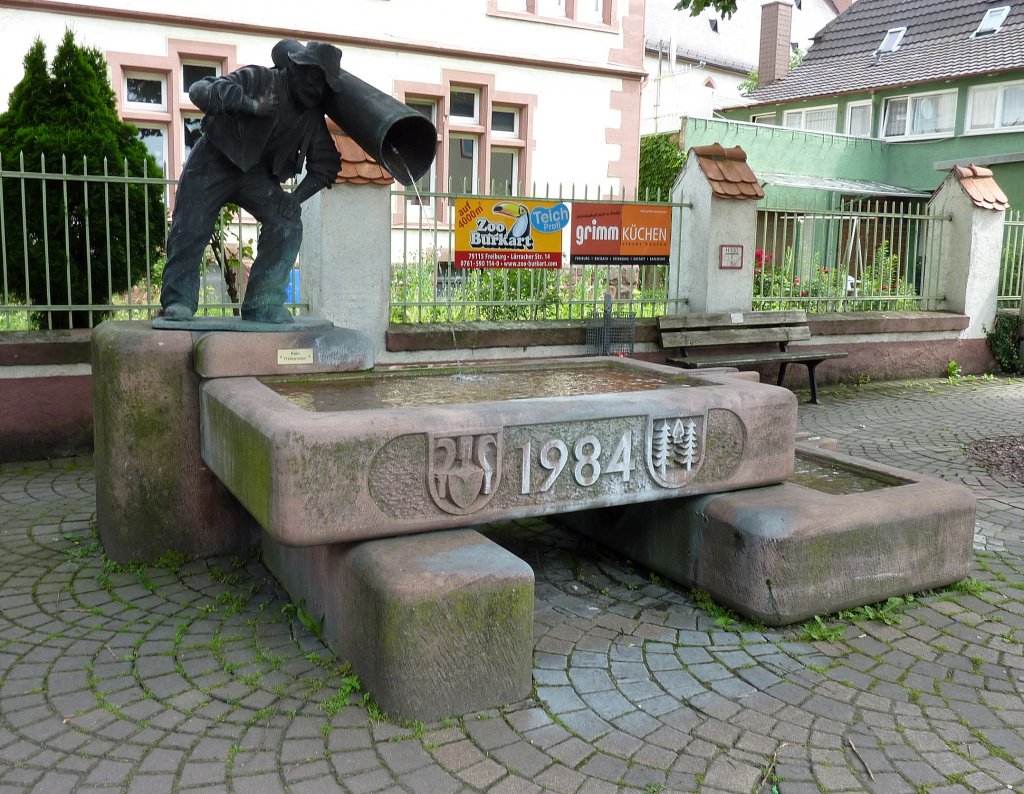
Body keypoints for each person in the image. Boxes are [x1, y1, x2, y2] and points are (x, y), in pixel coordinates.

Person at [159, 39, 343, 323]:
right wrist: (251, 104)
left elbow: (325, 166)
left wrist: (293, 200)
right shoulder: (260, 78)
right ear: (295, 68)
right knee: (190, 227)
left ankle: (263, 303)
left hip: (255, 175)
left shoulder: (310, 116)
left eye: (324, 85)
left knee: (287, 224)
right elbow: (200, 91)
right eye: (313, 78)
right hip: (214, 157)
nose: (317, 89)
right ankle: (178, 300)